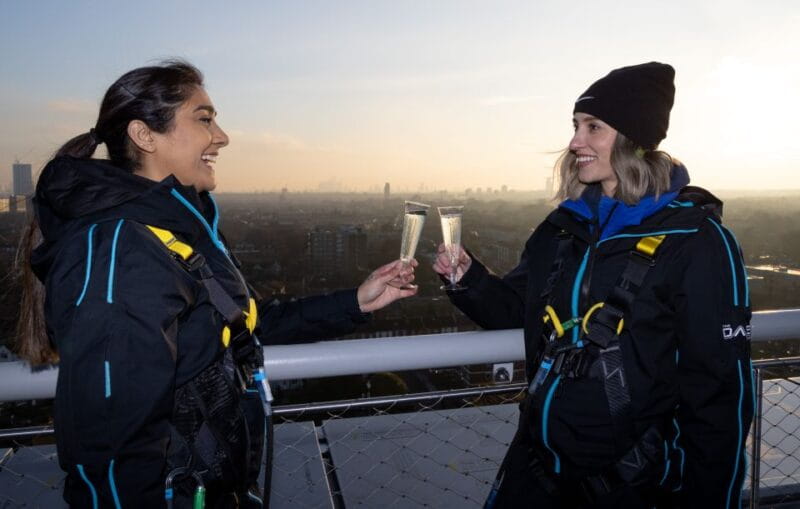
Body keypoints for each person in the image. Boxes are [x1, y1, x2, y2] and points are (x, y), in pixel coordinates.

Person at [16, 60, 418, 508]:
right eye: (204, 119)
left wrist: (355, 302)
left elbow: (236, 326)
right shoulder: (122, 248)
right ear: (144, 136)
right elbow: (108, 443)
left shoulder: (177, 231)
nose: (222, 136)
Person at [434, 62, 753, 508]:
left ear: (632, 139)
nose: (574, 142)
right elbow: (515, 311)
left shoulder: (695, 241)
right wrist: (466, 278)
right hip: (538, 470)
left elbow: (718, 397)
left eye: (593, 127)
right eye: (576, 125)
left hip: (635, 487)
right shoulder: (564, 228)